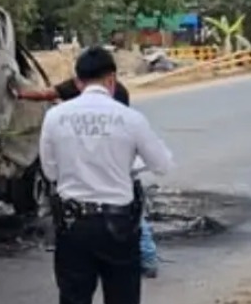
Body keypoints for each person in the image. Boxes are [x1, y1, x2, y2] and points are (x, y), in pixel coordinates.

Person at [38, 47, 174, 304]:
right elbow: (163, 164)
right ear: (112, 79)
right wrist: (127, 164)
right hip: (119, 228)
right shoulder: (129, 119)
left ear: (79, 81)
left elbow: (50, 171)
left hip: (72, 227)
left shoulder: (56, 117)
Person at [12, 76, 161, 278]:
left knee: (88, 216)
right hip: (116, 164)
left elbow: (46, 94)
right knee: (128, 213)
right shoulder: (116, 91)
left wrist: (18, 93)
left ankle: (133, 258)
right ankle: (146, 259)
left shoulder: (76, 89)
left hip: (93, 165)